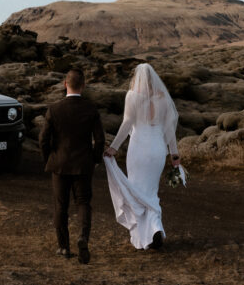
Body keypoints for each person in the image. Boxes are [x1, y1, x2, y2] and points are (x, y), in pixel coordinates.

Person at [103, 63, 182, 250]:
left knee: (137, 191)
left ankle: (145, 233)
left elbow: (127, 123)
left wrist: (114, 148)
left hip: (138, 149)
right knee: (151, 191)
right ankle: (154, 229)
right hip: (157, 149)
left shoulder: (132, 97)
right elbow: (170, 129)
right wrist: (174, 154)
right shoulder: (163, 99)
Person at [39, 68, 106, 264]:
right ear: (83, 86)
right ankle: (83, 237)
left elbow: (43, 139)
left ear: (65, 84)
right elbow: (100, 140)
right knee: (83, 203)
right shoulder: (91, 109)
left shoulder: (54, 109)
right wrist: (94, 159)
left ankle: (63, 247)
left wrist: (49, 159)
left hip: (59, 164)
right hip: (83, 165)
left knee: (61, 206)